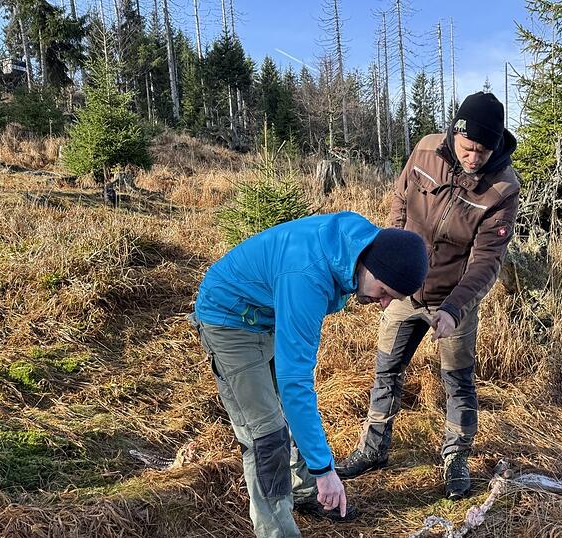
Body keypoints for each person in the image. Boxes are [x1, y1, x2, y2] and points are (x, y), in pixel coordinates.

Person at [190, 211, 428, 538]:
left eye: (393, 299)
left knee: (289, 412)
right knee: (266, 435)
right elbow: (295, 384)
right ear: (373, 266)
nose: (383, 303)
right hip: (228, 318)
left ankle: (304, 489)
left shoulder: (357, 247)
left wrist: (320, 469)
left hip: (265, 315)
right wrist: (325, 469)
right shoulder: (307, 275)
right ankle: (277, 531)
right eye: (384, 291)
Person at [336, 92, 521, 500]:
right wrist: (390, 261)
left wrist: (455, 308)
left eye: (484, 150)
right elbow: (400, 202)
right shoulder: (424, 150)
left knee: (457, 381)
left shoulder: (503, 188)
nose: (474, 158)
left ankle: (455, 457)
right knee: (386, 369)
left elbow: (487, 260)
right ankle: (373, 448)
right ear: (455, 134)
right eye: (468, 147)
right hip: (404, 288)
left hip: (453, 297)